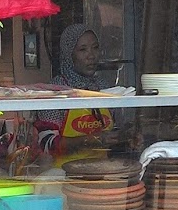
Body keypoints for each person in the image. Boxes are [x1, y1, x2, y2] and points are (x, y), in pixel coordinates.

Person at [34, 22, 116, 161]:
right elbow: (47, 143)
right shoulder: (57, 90)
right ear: (69, 54)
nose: (91, 56)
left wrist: (127, 136)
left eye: (95, 48)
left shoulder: (103, 87)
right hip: (64, 176)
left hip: (103, 172)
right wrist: (91, 140)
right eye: (83, 49)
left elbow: (115, 130)